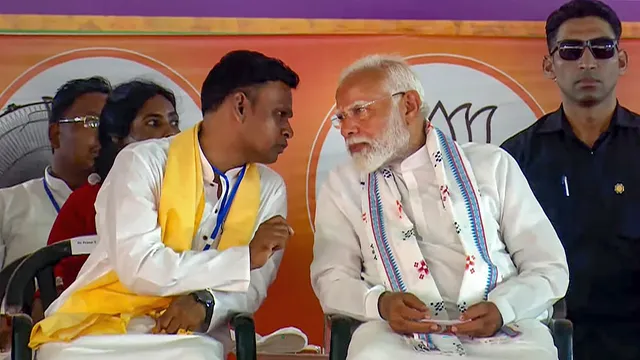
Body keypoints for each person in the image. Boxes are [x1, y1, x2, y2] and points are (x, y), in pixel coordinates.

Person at [29, 50, 298, 360]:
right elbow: (140, 268)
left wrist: (206, 304)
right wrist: (243, 258)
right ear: (239, 106)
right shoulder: (142, 162)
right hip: (95, 330)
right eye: (280, 114)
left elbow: (253, 287)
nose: (289, 129)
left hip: (188, 337)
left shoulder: (270, 188)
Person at [310, 55, 569, 360]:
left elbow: (547, 266)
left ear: (408, 105)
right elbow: (332, 276)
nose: (347, 129)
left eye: (360, 111)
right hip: (395, 338)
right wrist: (381, 304)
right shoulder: (343, 186)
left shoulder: (491, 165)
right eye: (341, 117)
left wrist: (503, 308)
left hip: (506, 332)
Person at [500, 1, 638, 359]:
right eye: (571, 51)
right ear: (550, 65)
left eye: (602, 49)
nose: (587, 62)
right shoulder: (514, 158)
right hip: (547, 331)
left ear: (621, 61)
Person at [46, 79, 181, 295]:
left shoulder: (191, 194)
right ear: (118, 138)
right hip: (95, 320)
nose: (171, 134)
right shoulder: (87, 201)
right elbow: (50, 286)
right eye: (154, 124)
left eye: (174, 122)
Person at [0, 77, 110, 268]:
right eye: (93, 122)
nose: (106, 135)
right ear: (55, 134)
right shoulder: (6, 205)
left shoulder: (131, 204)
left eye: (111, 126)